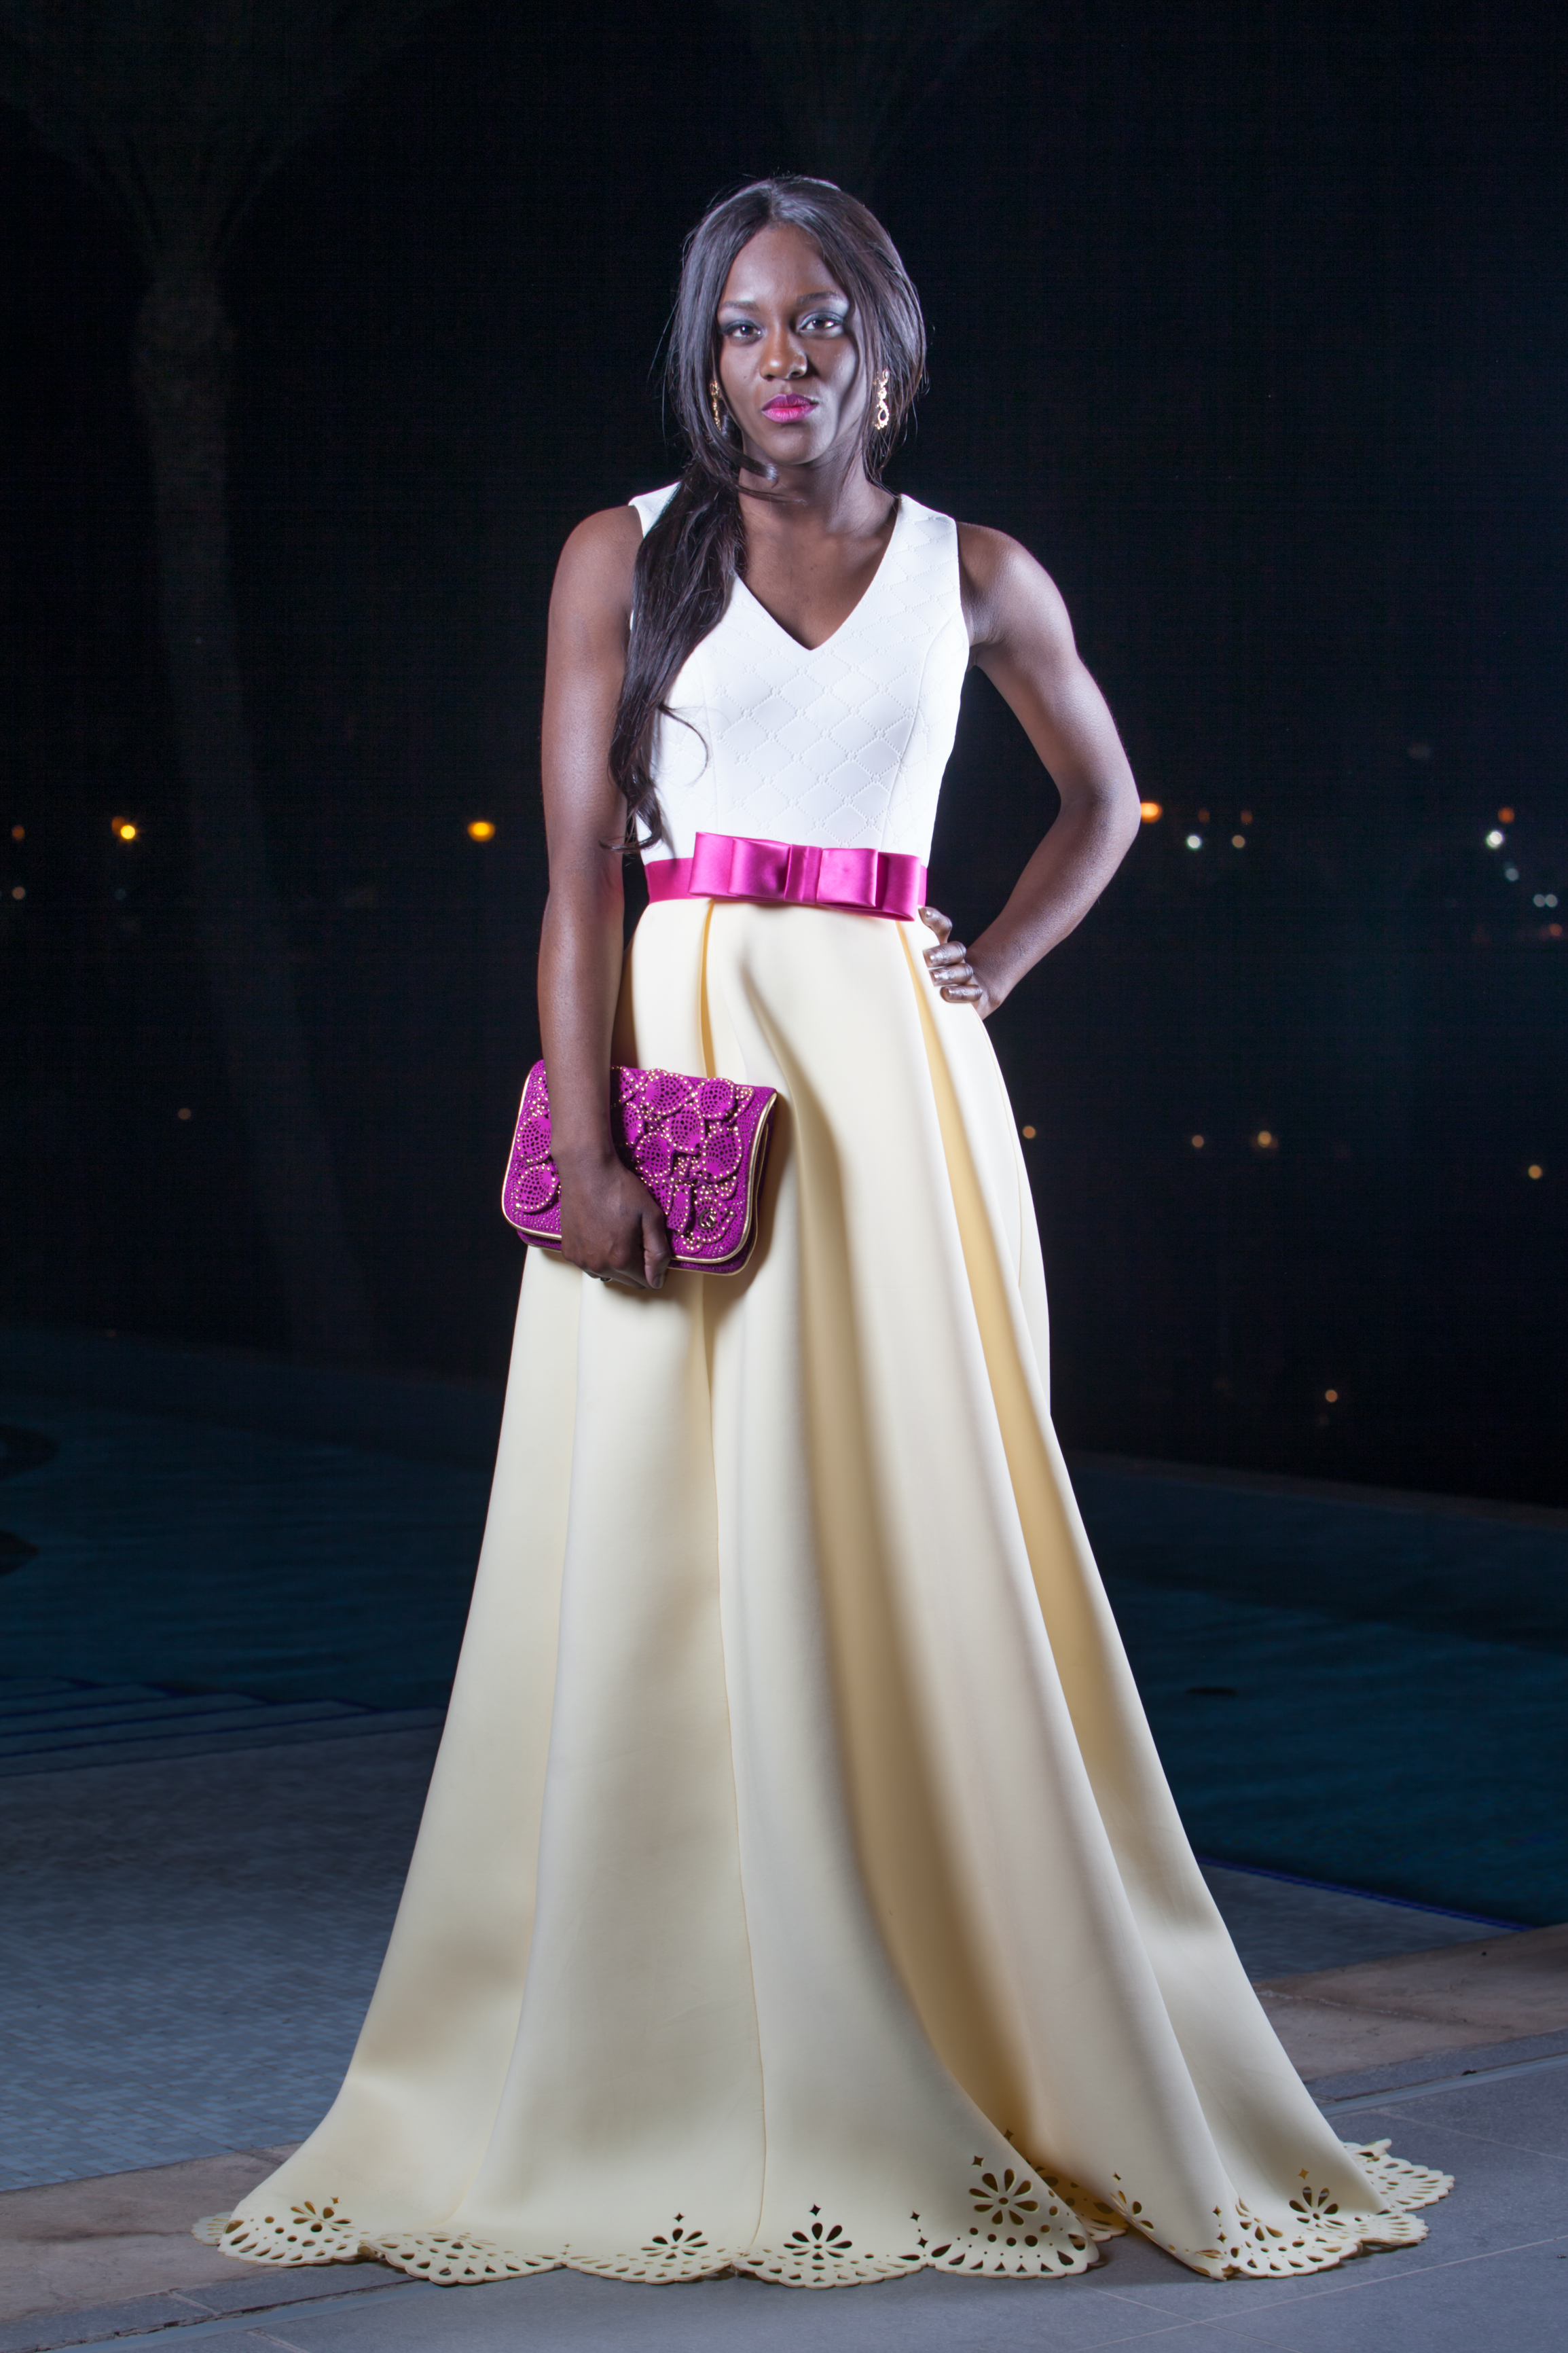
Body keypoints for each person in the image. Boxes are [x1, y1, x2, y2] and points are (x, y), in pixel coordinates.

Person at [203, 177, 1449, 2290]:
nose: (780, 357)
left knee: (922, 1532)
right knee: (656, 1550)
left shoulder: (982, 572)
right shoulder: (620, 553)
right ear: (705, 360)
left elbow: (1108, 802)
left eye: (817, 321)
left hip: (893, 1097)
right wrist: (588, 1141)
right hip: (687, 1081)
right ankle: (652, 2049)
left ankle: (966, 2026)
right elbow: (581, 878)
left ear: (887, 344)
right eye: (743, 325)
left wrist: (993, 969)